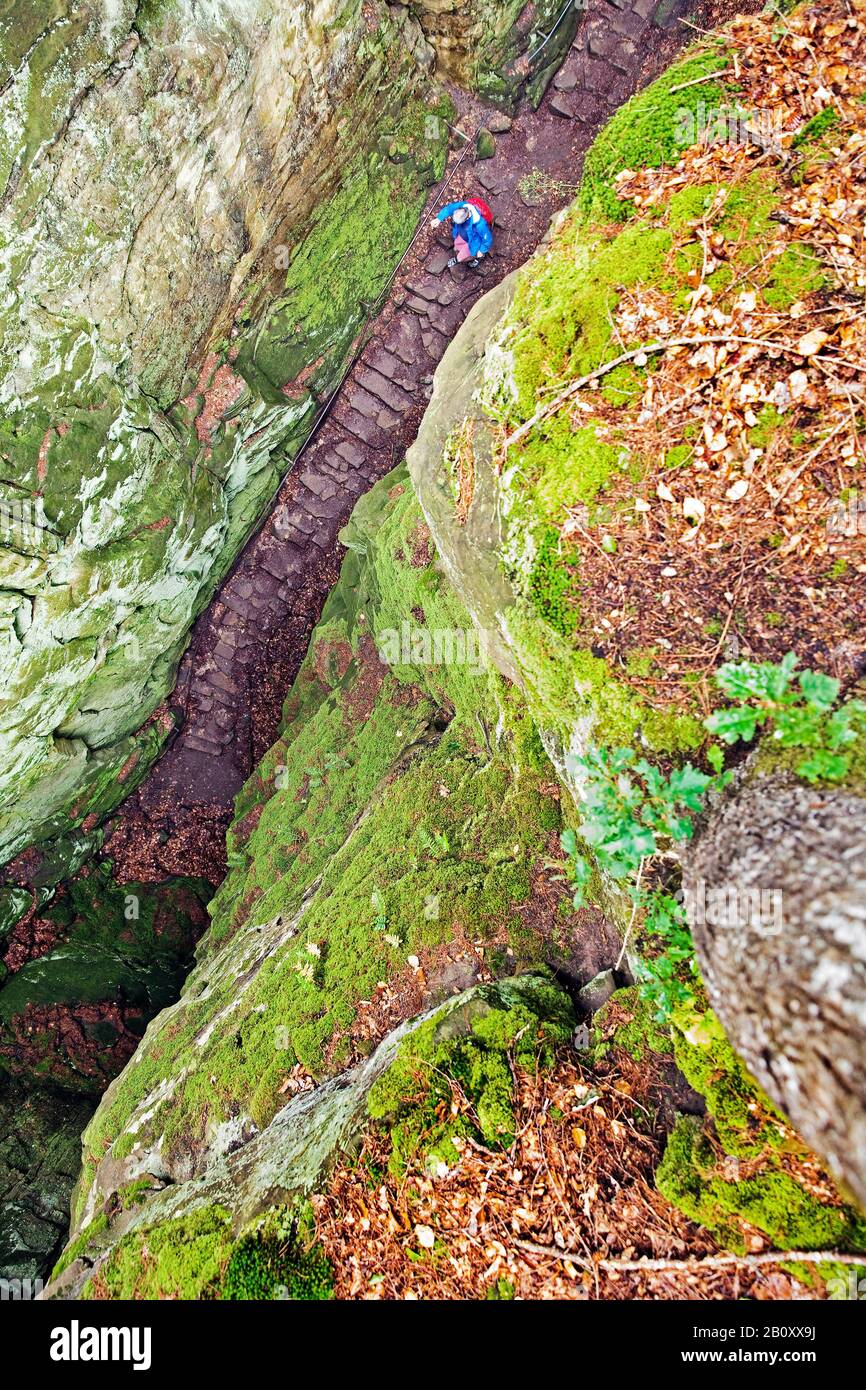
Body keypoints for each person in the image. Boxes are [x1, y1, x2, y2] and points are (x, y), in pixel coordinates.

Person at [430, 199, 493, 269]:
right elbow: (449, 209)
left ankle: (460, 259)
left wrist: (481, 250)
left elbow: (487, 239)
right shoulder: (461, 206)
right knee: (457, 244)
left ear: (467, 218)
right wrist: (439, 219)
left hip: (473, 241)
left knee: (464, 254)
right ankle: (460, 254)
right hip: (462, 234)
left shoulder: (479, 225)